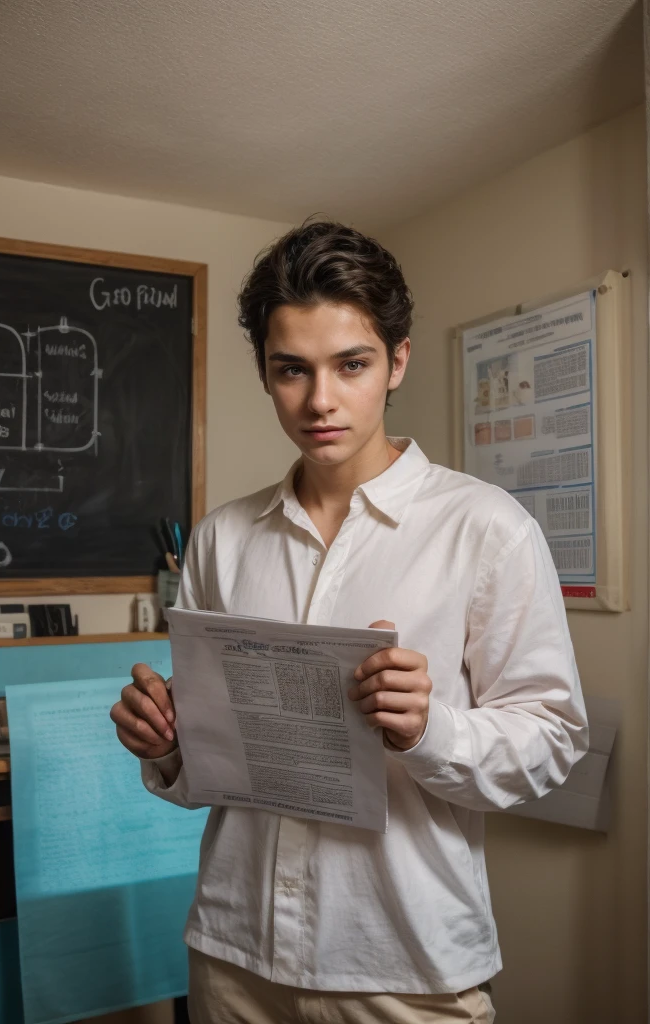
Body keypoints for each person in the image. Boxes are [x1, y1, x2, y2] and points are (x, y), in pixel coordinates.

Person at [110, 220, 587, 1024]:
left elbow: (553, 742)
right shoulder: (223, 539)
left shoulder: (487, 529)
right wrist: (168, 748)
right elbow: (215, 770)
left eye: (351, 365)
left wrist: (429, 729)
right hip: (235, 956)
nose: (319, 400)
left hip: (404, 964)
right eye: (291, 370)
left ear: (397, 360)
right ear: (265, 373)